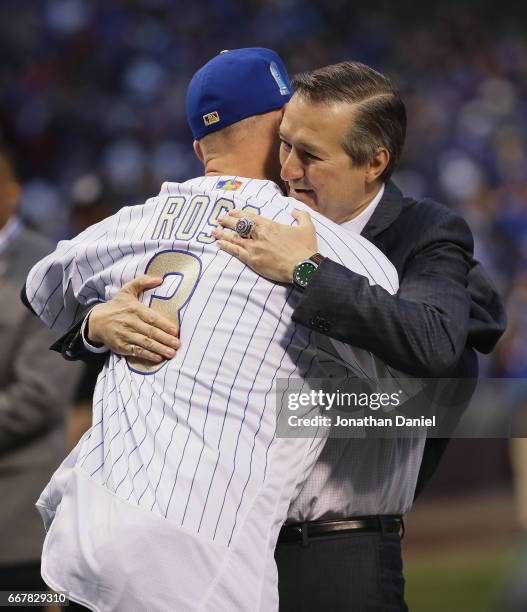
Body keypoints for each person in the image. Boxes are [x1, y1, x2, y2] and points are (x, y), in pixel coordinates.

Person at [66, 60, 506, 611]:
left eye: (310, 155)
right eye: (284, 145)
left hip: (336, 546)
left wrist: (307, 274)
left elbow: (438, 385)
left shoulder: (424, 233)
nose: (288, 168)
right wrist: (93, 327)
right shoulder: (247, 219)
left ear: (374, 163)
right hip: (226, 539)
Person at [23, 49, 405, 611]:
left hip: (83, 539)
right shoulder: (328, 244)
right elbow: (409, 372)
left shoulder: (128, 225)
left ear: (200, 148)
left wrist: (94, 325)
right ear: (286, 134)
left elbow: (39, 286)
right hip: (198, 562)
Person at [0, 148, 83, 610]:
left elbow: (39, 396)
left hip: (15, 524)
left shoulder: (46, 270)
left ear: (11, 195)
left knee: (20, 604)